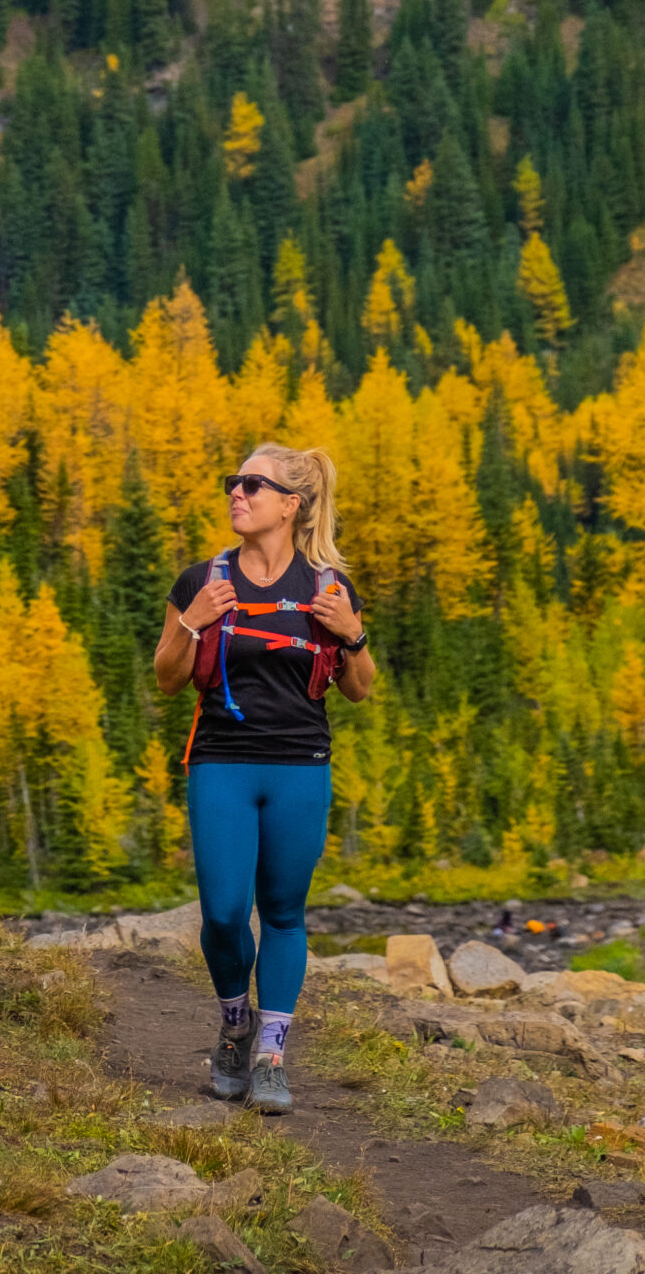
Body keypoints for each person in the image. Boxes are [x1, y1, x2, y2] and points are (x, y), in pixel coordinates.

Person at [153, 443, 374, 1115]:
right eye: (234, 482)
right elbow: (166, 678)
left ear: (291, 504)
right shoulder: (202, 580)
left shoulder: (328, 589)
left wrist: (354, 635)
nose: (237, 492)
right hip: (220, 761)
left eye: (254, 483)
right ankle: (234, 1021)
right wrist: (192, 624)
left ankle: (272, 1056)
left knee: (282, 911)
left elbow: (359, 689)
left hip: (300, 768)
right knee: (223, 914)